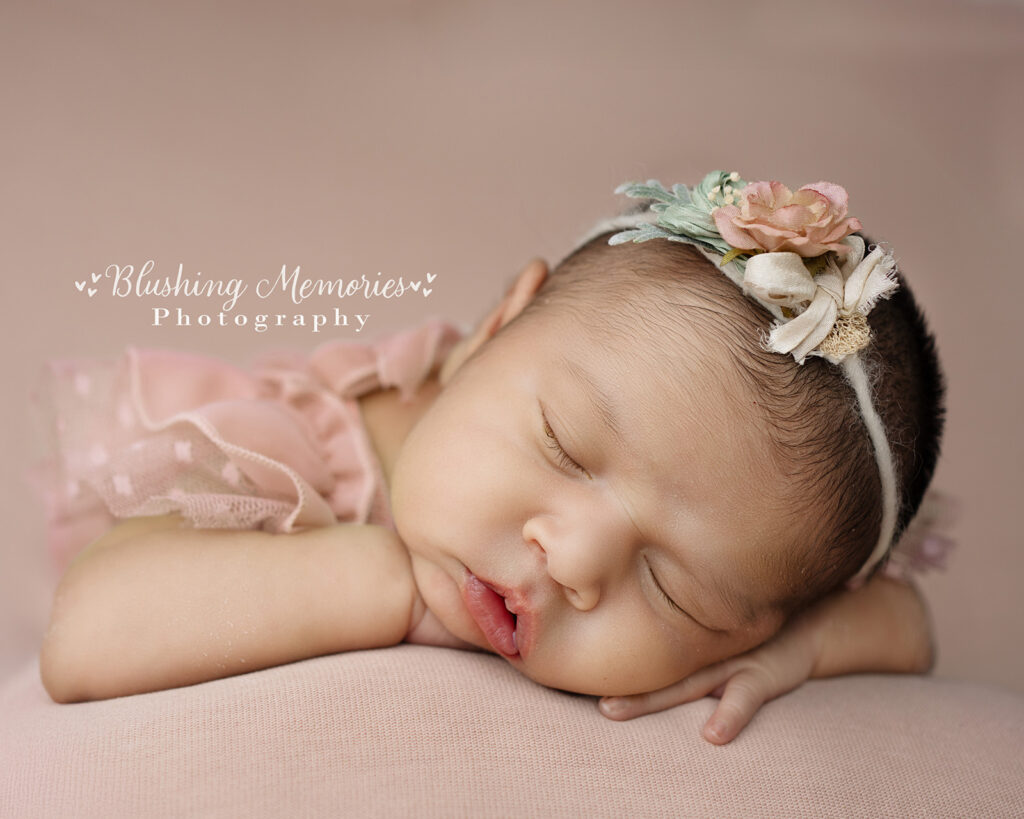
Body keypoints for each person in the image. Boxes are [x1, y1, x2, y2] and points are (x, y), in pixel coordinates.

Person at [35, 171, 948, 745]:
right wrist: (388, 580)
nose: (576, 558)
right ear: (497, 328)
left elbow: (904, 623)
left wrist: (796, 649)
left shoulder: (765, 557)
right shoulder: (290, 450)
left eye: (676, 590)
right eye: (566, 446)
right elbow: (84, 638)